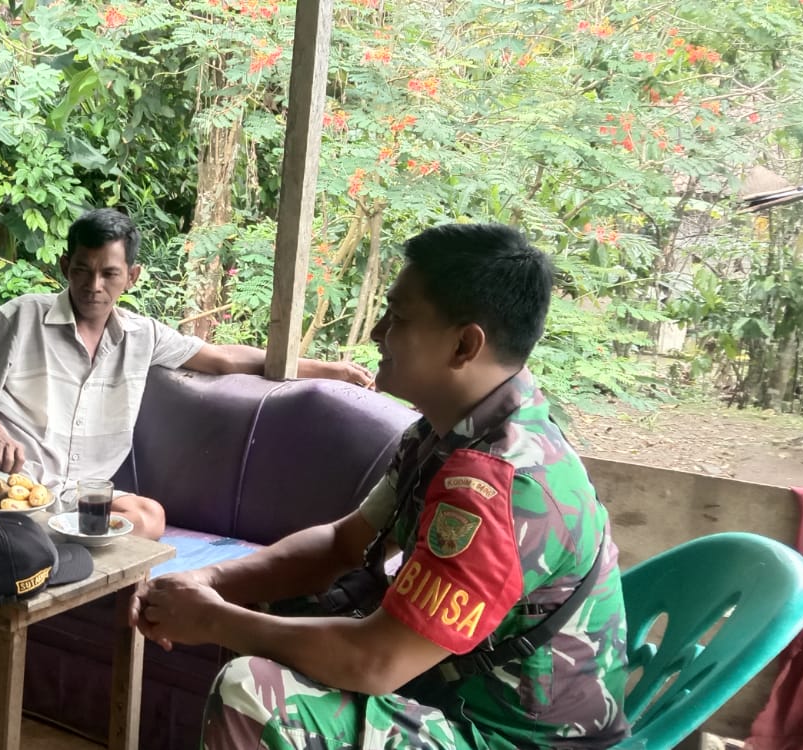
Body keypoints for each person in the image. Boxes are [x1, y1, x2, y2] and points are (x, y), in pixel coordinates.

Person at [130, 223, 629, 749]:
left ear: (465, 344)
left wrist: (213, 620)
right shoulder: (444, 434)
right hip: (455, 694)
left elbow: (376, 661)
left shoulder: (495, 486)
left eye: (399, 317)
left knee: (253, 692)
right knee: (272, 606)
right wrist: (208, 580)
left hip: (508, 737)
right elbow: (342, 543)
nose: (376, 331)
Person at [0, 208, 374, 540]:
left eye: (109, 273)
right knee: (4, 514)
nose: (93, 286)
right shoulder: (23, 315)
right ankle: (30, 542)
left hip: (68, 492)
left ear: (132, 276)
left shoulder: (142, 335)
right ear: (66, 266)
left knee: (149, 518)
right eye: (82, 270)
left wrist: (327, 369)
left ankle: (35, 543)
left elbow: (223, 358)